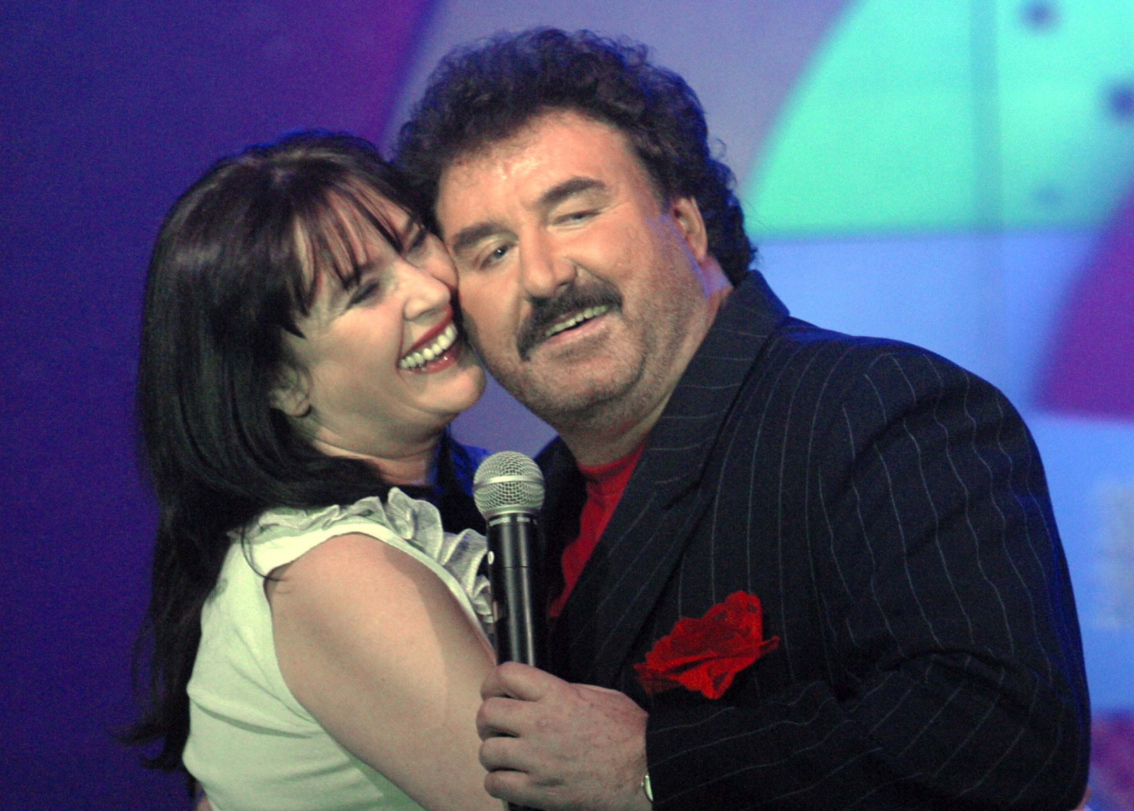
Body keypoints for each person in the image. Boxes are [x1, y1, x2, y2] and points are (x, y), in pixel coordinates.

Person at [396, 28, 1091, 811]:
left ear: (687, 223)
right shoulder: (518, 513)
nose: (543, 275)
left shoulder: (883, 407)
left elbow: (1004, 733)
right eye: (491, 253)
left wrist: (651, 765)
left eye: (575, 213)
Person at [125, 132, 503, 811]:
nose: (430, 290)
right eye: (364, 291)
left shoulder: (441, 496)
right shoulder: (333, 575)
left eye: (416, 242)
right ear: (280, 384)